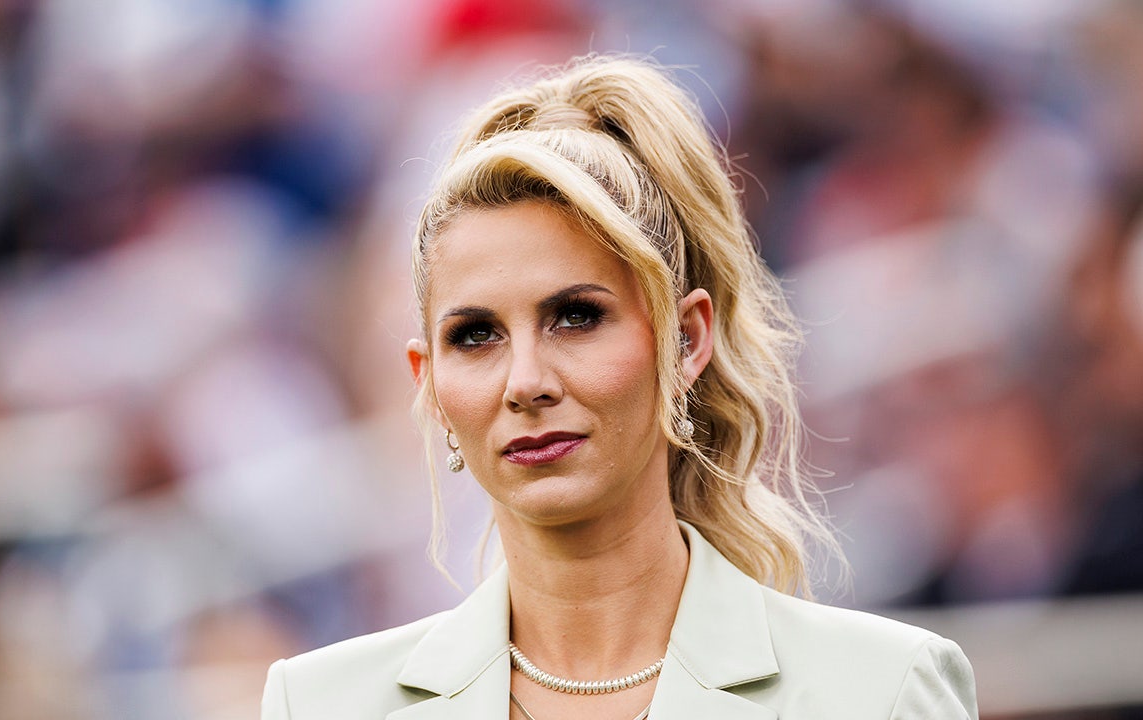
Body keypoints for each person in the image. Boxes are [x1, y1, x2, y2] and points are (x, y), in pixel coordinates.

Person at [262, 55, 978, 720]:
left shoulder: (880, 691)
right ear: (430, 382)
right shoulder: (320, 705)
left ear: (686, 340)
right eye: (476, 335)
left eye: (576, 317)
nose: (526, 383)